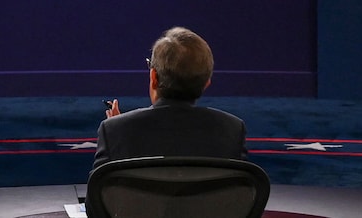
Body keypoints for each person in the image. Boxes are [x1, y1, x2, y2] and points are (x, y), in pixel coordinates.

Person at [92, 27, 247, 171]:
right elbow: (240, 197)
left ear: (153, 77)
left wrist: (120, 133)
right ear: (206, 84)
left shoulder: (114, 131)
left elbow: (99, 199)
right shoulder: (232, 130)